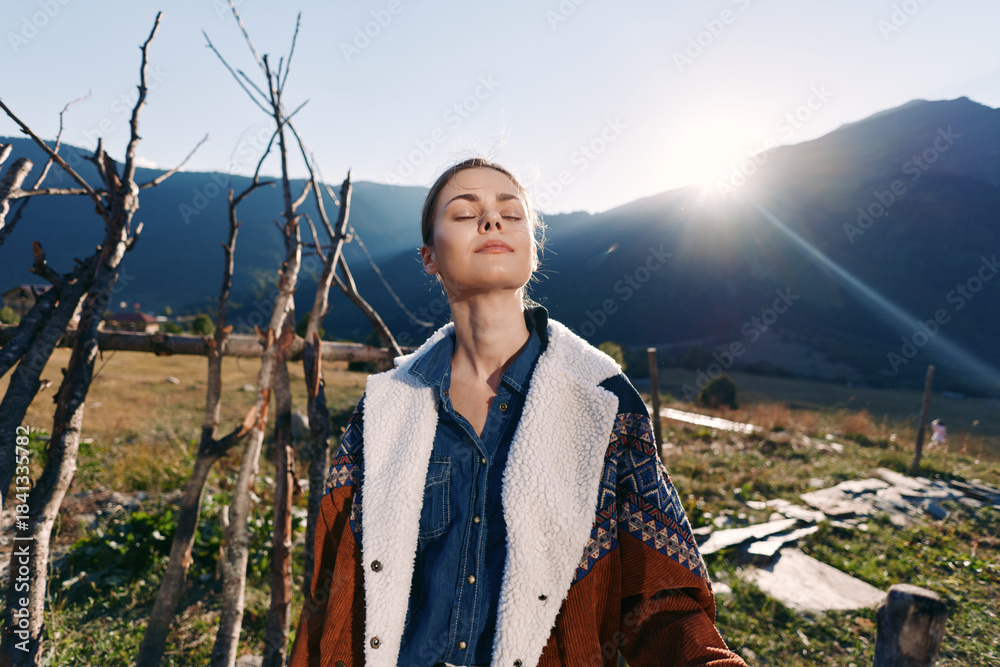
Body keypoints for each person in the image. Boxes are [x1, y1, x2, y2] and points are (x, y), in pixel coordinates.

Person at [289, 158, 746, 667]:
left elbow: (661, 603)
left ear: (533, 247)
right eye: (465, 214)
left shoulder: (603, 402)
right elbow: (336, 597)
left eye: (512, 213)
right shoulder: (383, 412)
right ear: (428, 258)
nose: (492, 221)